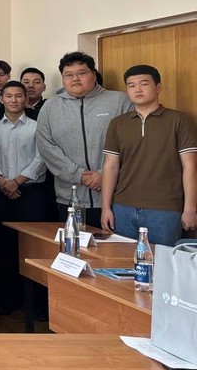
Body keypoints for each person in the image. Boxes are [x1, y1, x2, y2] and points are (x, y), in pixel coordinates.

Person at [101, 65, 197, 246]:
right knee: (122, 260)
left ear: (158, 87)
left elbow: (190, 166)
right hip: (123, 207)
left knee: (162, 261)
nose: (137, 89)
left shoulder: (178, 120)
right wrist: (106, 207)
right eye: (131, 85)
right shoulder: (118, 124)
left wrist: (190, 208)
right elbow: (110, 166)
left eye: (144, 84)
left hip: (165, 209)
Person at [35, 51, 131, 226]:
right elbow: (46, 146)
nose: (75, 79)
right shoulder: (50, 106)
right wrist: (79, 175)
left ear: (94, 74)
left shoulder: (119, 101)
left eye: (82, 73)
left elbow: (130, 144)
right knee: (74, 242)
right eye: (68, 75)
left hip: (114, 196)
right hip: (70, 198)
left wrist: (104, 174)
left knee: (113, 243)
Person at [0, 81, 48, 315]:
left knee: (33, 249)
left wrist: (17, 181)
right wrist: (3, 181)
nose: (13, 100)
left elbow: (41, 158)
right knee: (2, 247)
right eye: (9, 96)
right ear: (1, 99)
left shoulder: (37, 127)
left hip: (31, 194)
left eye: (18, 96)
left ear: (25, 99)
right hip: (0, 193)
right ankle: (6, 300)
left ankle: (37, 305)